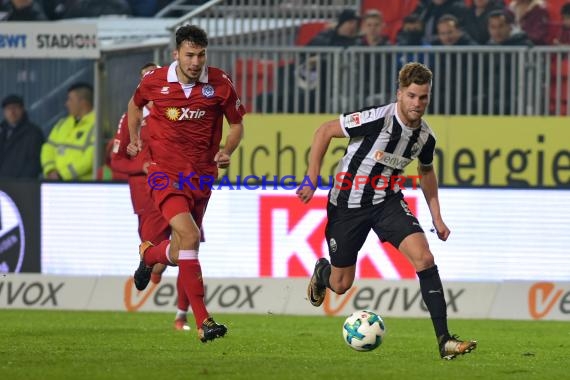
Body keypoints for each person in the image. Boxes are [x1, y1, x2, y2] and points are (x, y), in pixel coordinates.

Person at [297, 62, 477, 360]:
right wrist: (311, 177)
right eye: (412, 96)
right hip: (347, 205)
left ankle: (444, 339)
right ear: (400, 94)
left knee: (425, 257)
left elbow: (426, 172)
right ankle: (322, 272)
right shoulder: (377, 118)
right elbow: (325, 130)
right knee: (340, 285)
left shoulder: (425, 138)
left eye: (423, 97)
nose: (417, 103)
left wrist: (436, 216)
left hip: (387, 202)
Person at [126, 25, 245, 342]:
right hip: (164, 174)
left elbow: (236, 124)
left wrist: (226, 150)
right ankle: (205, 321)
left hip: (202, 176)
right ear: (176, 54)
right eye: (190, 55)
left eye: (201, 54)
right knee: (191, 235)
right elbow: (135, 105)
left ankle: (150, 256)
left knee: (180, 251)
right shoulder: (155, 82)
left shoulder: (220, 83)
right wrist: (136, 138)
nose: (196, 62)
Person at [110, 62, 190, 331]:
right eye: (146, 79)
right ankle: (151, 263)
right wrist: (140, 167)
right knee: (162, 263)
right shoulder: (131, 117)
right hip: (147, 199)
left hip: (180, 188)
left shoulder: (176, 110)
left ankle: (182, 316)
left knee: (189, 249)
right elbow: (116, 161)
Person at [41, 82, 95, 180]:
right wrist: (50, 170)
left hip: (82, 187)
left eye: (70, 99)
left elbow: (90, 159)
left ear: (83, 103)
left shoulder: (97, 125)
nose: (67, 103)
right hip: (56, 184)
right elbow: (48, 148)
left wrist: (62, 175)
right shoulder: (62, 124)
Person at [0, 94, 44, 179]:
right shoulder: (2, 131)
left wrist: (22, 182)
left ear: (22, 109)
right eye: (8, 109)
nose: (12, 112)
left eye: (15, 108)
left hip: (22, 185)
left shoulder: (33, 132)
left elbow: (35, 162)